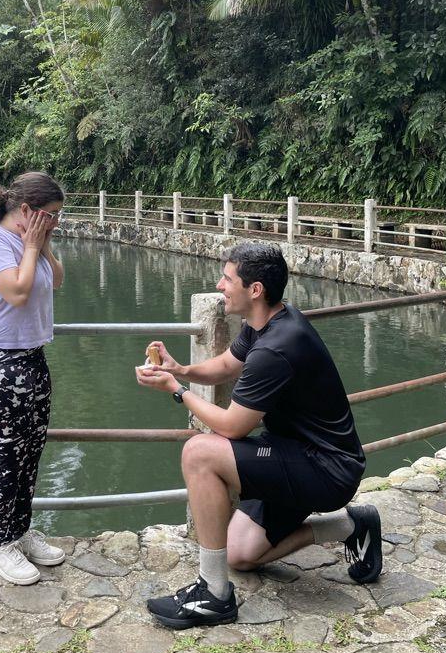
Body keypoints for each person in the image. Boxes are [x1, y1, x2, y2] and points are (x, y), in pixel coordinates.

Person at [135, 242, 382, 629]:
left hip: (326, 469)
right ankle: (351, 525)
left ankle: (213, 595)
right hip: (294, 455)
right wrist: (180, 369)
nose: (219, 285)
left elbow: (232, 426)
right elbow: (224, 366)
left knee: (199, 452)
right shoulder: (265, 323)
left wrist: (176, 391)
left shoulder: (277, 348)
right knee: (240, 554)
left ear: (255, 290)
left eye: (227, 279)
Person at [0, 172, 68, 585]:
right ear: (26, 210)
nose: (56, 222)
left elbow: (55, 280)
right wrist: (28, 246)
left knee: (31, 452)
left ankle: (21, 532)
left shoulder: (33, 244)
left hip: (31, 358)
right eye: (51, 215)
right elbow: (17, 292)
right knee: (8, 454)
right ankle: (0, 545)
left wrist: (42, 245)